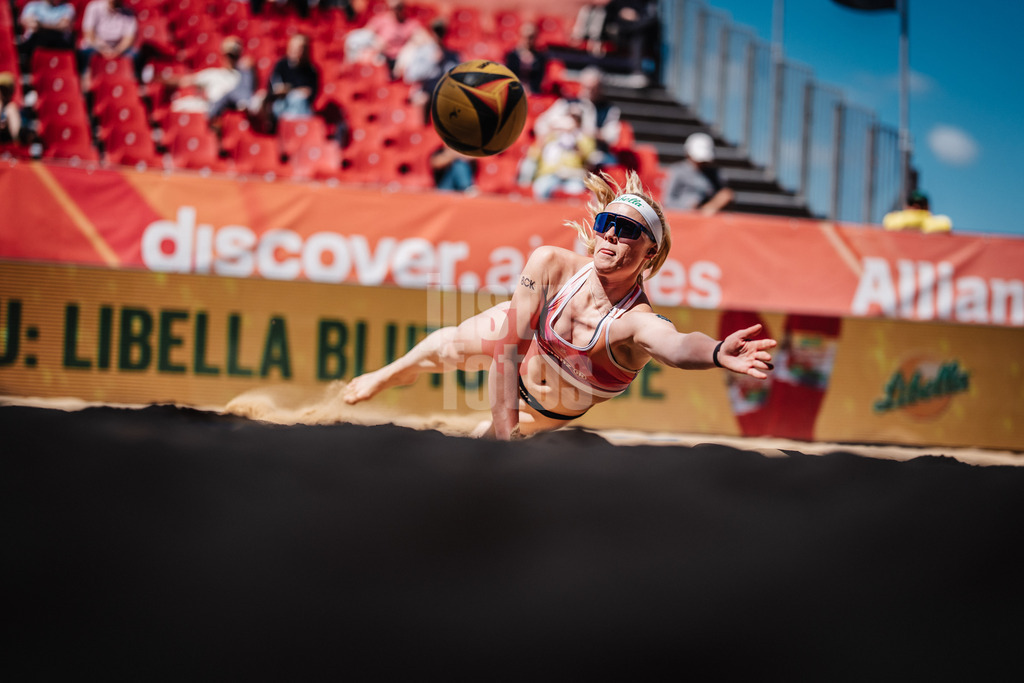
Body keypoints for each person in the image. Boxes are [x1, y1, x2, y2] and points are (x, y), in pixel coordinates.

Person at [342, 170, 776, 440]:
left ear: (649, 254)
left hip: (546, 410)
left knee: (479, 451)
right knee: (451, 348)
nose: (610, 235)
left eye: (627, 230)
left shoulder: (632, 321)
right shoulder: (551, 263)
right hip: (524, 355)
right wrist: (504, 425)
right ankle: (384, 376)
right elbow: (507, 353)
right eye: (608, 223)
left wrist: (717, 352)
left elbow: (676, 344)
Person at [533, 66, 621, 167]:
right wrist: (563, 126)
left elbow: (611, 136)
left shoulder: (609, 109)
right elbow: (542, 123)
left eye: (593, 88)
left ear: (600, 88)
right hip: (566, 152)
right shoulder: (567, 103)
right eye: (586, 87)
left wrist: (586, 130)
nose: (589, 91)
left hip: (595, 153)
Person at [167, 36, 259, 122]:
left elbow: (248, 95)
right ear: (222, 55)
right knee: (179, 105)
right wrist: (159, 78)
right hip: (210, 108)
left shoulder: (243, 76)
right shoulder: (213, 73)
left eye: (234, 56)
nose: (231, 60)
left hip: (229, 113)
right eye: (229, 55)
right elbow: (184, 82)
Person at [519, 103, 597, 200]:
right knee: (541, 189)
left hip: (573, 175)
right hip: (549, 174)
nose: (572, 121)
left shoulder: (585, 139)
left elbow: (589, 161)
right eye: (570, 116)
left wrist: (574, 138)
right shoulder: (551, 135)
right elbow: (534, 153)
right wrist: (550, 131)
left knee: (575, 192)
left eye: (576, 118)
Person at [663, 132, 734, 215]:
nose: (701, 163)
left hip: (708, 217)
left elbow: (725, 195)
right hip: (684, 216)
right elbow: (667, 201)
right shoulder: (677, 171)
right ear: (688, 154)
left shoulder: (715, 173)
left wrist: (711, 206)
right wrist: (688, 207)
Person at [78, 0, 138, 77]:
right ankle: (86, 82)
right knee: (85, 54)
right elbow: (89, 34)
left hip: (118, 48)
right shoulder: (93, 7)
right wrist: (103, 49)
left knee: (134, 56)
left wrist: (117, 51)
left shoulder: (129, 12)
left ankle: (129, 83)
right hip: (96, 47)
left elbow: (129, 38)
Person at [269, 34, 319, 121]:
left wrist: (290, 91)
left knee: (298, 99)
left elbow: (310, 94)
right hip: (282, 105)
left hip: (300, 108)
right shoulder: (281, 65)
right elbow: (274, 88)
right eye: (294, 48)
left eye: (301, 48)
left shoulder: (311, 70)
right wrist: (289, 91)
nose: (297, 51)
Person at [18, 0, 76, 65]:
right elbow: (31, 25)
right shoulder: (32, 6)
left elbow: (63, 26)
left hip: (59, 45)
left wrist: (40, 24)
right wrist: (55, 25)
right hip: (35, 44)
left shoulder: (67, 8)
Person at [504, 22, 548, 94]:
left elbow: (539, 79)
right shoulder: (512, 55)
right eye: (525, 37)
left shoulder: (540, 57)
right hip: (514, 92)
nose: (527, 40)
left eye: (531, 37)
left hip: (533, 92)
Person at [883, 191, 953, 233]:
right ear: (905, 206)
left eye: (921, 204)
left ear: (927, 207)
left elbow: (946, 225)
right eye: (911, 203)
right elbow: (889, 222)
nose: (916, 207)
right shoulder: (892, 218)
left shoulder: (941, 222)